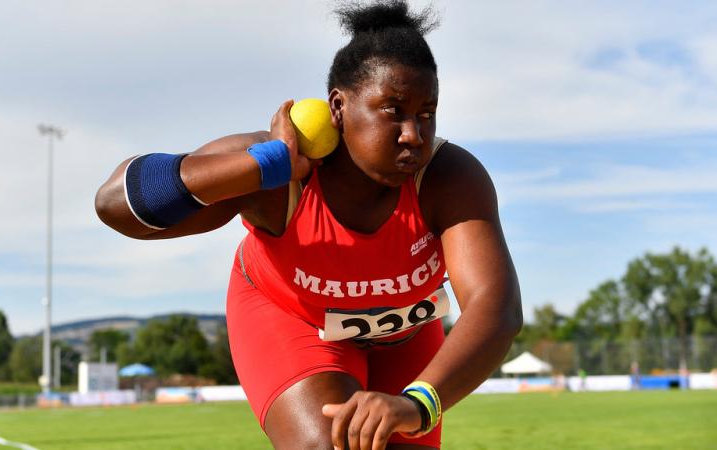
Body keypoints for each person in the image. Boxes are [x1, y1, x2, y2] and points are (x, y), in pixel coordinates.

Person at [94, 1, 522, 449]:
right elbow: (117, 204)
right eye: (393, 110)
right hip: (292, 319)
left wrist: (419, 402)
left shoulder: (448, 178)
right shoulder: (279, 175)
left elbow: (497, 304)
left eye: (426, 112)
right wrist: (265, 165)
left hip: (407, 335)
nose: (413, 133)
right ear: (337, 106)